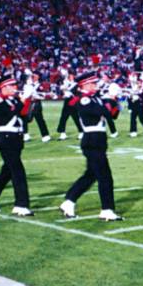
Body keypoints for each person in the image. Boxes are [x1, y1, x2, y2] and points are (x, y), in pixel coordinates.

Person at [59, 71, 124, 221]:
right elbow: (102, 112)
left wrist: (115, 99)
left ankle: (68, 201)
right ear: (85, 85)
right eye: (93, 83)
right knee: (105, 177)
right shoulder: (84, 100)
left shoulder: (96, 99)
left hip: (98, 139)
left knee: (91, 175)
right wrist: (110, 98)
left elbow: (113, 115)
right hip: (92, 139)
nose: (96, 85)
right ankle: (107, 209)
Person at [0, 72, 34, 216]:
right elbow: (6, 114)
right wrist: (23, 99)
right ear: (3, 87)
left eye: (15, 85)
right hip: (5, 139)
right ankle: (21, 205)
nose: (15, 87)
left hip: (16, 139)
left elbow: (24, 115)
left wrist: (29, 100)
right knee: (18, 172)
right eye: (11, 85)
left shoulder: (14, 100)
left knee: (7, 172)